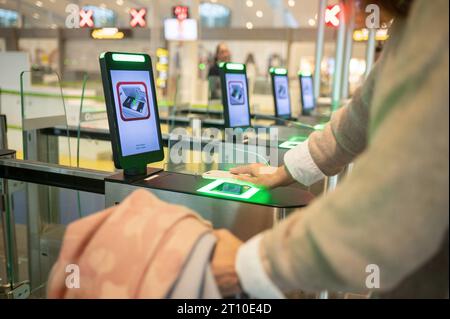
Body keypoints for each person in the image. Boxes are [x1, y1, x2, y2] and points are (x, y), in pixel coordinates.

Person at [211, 0, 449, 298]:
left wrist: (251, 264)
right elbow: (359, 115)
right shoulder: (413, 21)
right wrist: (285, 170)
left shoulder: (437, 17)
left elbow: (397, 204)